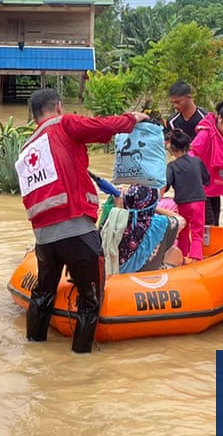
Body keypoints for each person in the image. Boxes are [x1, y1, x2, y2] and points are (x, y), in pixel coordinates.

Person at [19, 87, 149, 354]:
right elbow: (100, 126)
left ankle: (34, 351)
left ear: (34, 118)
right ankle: (81, 360)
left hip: (43, 238)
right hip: (77, 230)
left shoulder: (29, 146)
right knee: (90, 300)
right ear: (58, 107)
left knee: (43, 294)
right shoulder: (64, 123)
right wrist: (132, 118)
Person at [161, 128, 209, 262]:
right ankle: (195, 259)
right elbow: (207, 179)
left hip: (182, 203)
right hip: (199, 201)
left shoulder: (171, 166)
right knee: (197, 233)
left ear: (173, 149)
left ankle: (182, 258)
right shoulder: (197, 162)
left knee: (183, 231)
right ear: (188, 146)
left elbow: (166, 185)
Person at [113, 184, 185, 272]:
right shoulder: (160, 223)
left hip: (117, 274)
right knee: (175, 254)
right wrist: (153, 208)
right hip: (146, 274)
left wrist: (119, 205)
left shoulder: (115, 219)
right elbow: (181, 221)